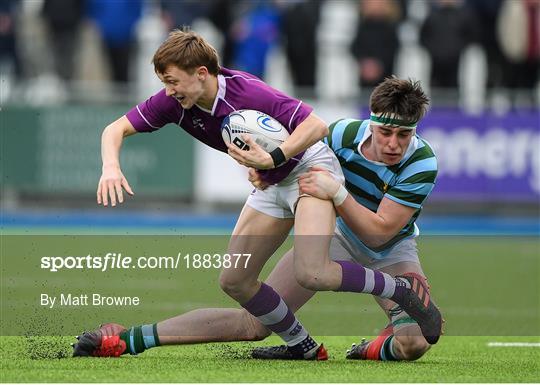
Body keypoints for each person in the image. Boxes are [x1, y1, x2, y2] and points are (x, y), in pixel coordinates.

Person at [79, 28, 441, 359]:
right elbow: (115, 129)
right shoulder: (346, 133)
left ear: (202, 73)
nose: (168, 90)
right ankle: (300, 345)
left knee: (325, 282)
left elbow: (314, 133)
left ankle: (398, 290)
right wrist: (110, 166)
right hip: (297, 198)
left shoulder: (247, 92)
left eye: (173, 81)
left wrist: (278, 159)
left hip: (337, 203)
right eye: (165, 82)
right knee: (234, 281)